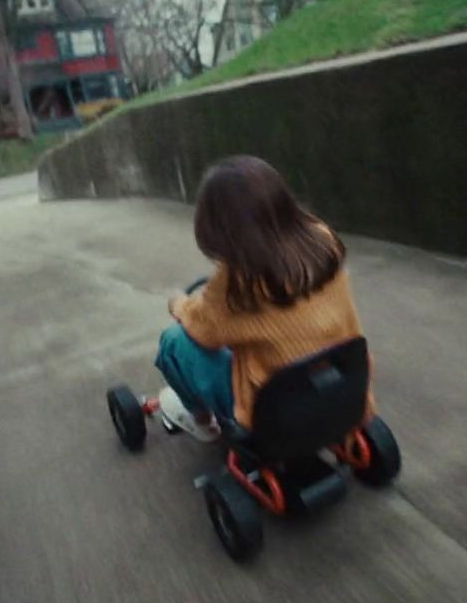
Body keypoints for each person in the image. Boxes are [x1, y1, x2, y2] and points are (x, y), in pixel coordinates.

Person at [156, 155, 370, 441]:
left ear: (220, 228)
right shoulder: (323, 240)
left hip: (274, 408)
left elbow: (202, 329)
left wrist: (178, 303)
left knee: (174, 342)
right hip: (341, 381)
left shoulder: (235, 282)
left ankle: (204, 423)